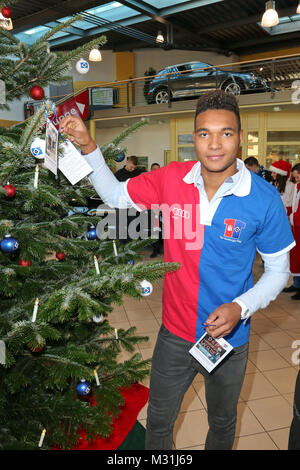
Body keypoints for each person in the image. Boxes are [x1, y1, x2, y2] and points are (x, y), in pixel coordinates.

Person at [60, 90, 295, 450]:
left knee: (221, 422)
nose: (214, 144)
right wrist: (90, 146)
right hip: (174, 334)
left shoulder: (263, 198)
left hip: (229, 340)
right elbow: (116, 198)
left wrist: (240, 308)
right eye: (204, 133)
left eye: (226, 133)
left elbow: (279, 272)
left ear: (239, 135)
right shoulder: (171, 179)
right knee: (158, 423)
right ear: (193, 137)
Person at [284, 163, 300, 300]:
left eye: (298, 176)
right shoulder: (297, 186)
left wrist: (292, 217)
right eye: (295, 177)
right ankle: (296, 283)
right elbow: (293, 204)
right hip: (296, 227)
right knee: (295, 257)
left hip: (298, 224)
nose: (296, 179)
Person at [149, 163, 163, 258]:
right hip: (151, 209)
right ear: (151, 170)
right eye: (154, 169)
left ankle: (166, 250)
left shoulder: (163, 180)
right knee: (154, 231)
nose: (156, 170)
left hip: (163, 208)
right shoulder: (148, 180)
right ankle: (156, 250)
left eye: (158, 169)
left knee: (165, 231)